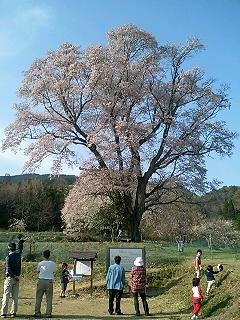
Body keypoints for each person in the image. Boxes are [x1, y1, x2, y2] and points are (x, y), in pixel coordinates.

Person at [1, 243, 21, 318]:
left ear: (9, 248)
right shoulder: (18, 256)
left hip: (10, 277)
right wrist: (17, 276)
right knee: (15, 296)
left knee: (6, 295)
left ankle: (4, 312)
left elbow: (8, 268)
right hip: (17, 277)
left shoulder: (8, 257)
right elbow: (19, 267)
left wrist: (12, 276)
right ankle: (13, 312)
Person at [34, 250, 56, 318]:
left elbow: (38, 271)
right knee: (49, 299)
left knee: (38, 298)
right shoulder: (53, 263)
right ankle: (48, 313)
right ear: (49, 255)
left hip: (41, 281)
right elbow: (53, 272)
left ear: (43, 255)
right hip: (49, 281)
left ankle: (37, 312)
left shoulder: (40, 263)